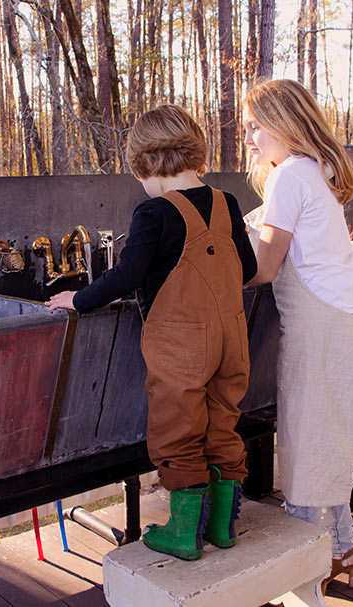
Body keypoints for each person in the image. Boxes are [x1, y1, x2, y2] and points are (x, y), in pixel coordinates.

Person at [46, 104, 258, 561]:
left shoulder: (153, 212)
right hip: (232, 339)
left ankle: (182, 534)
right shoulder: (228, 202)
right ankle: (223, 527)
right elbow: (250, 268)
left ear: (147, 161)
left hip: (182, 345)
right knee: (223, 421)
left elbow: (126, 276)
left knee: (179, 428)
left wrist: (77, 299)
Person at [242, 79, 353, 592]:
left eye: (255, 126)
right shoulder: (315, 170)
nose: (250, 138)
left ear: (284, 123)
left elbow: (265, 268)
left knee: (305, 445)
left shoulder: (290, 176)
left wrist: (210, 277)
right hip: (344, 325)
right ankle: (345, 553)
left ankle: (303, 571)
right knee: (327, 445)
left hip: (320, 330)